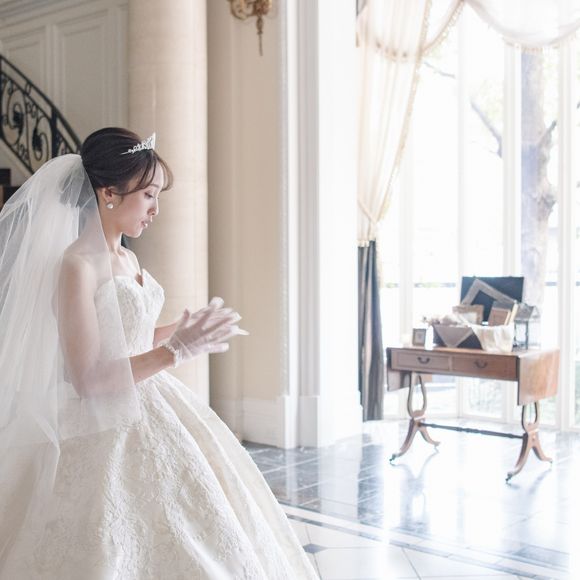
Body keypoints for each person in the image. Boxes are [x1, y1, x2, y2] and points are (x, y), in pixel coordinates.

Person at [0, 128, 318, 579]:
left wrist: (184, 332)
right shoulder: (76, 266)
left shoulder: (127, 259)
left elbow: (128, 338)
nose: (155, 209)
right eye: (148, 195)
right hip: (104, 423)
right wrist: (174, 352)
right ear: (109, 193)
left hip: (155, 401)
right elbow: (87, 377)